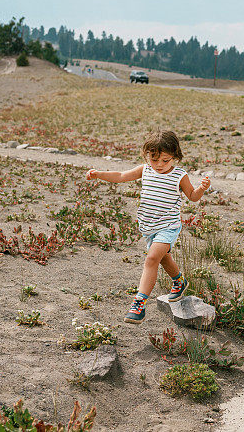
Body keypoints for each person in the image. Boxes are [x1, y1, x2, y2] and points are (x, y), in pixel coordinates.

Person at [86, 130, 210, 324]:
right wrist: (99, 174)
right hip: (148, 225)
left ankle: (138, 305)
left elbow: (192, 196)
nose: (159, 165)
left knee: (152, 258)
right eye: (154, 159)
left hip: (168, 226)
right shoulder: (145, 170)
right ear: (147, 156)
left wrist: (201, 189)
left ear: (175, 157)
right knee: (163, 258)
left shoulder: (179, 175)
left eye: (165, 160)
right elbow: (120, 175)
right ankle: (179, 281)